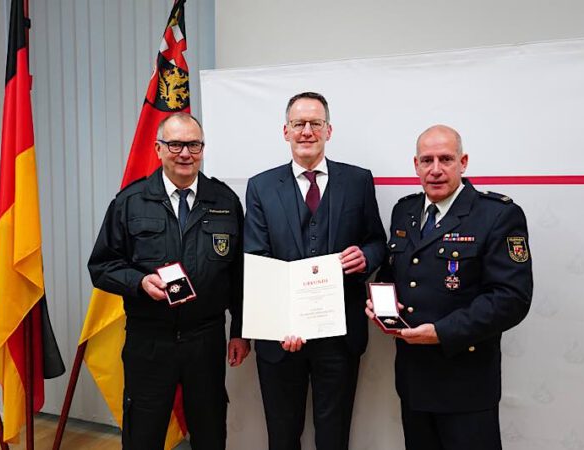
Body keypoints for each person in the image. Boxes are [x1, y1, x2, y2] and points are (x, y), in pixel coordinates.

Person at [88, 113, 250, 450]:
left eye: (194, 144)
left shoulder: (225, 201)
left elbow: (239, 276)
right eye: (175, 144)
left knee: (209, 434)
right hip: (149, 341)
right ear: (159, 149)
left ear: (202, 149)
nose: (185, 153)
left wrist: (239, 332)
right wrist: (139, 282)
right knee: (143, 435)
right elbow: (102, 266)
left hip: (205, 340)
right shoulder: (129, 202)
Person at [367, 124, 533, 450]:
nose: (436, 170)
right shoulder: (405, 211)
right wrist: (380, 303)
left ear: (463, 162)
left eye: (446, 159)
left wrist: (442, 332)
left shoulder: (497, 215)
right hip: (414, 378)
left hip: (466, 382)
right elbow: (392, 271)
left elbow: (512, 298)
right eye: (427, 160)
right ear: (415, 165)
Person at [244, 92, 387, 450]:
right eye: (298, 124)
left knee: (334, 434)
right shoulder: (260, 186)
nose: (307, 130)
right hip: (281, 338)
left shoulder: (357, 181)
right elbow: (257, 257)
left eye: (315, 123)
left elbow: (377, 241)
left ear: (328, 130)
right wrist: (281, 322)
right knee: (282, 433)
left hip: (339, 335)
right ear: (285, 131)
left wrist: (366, 258)